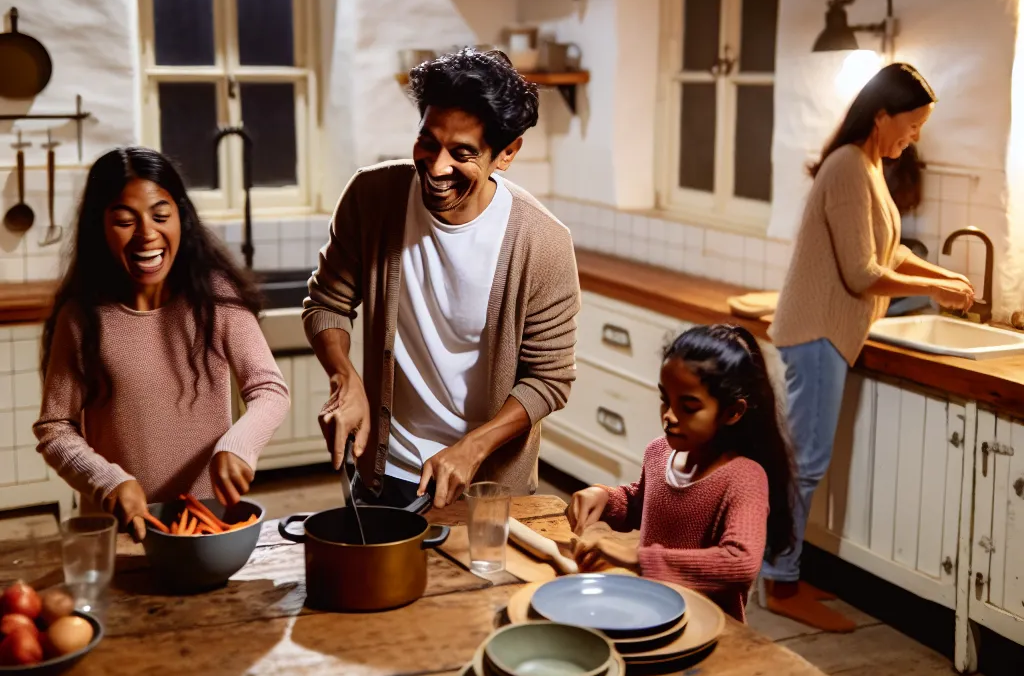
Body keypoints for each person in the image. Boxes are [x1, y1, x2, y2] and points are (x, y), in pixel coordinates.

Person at [304, 49, 580, 509]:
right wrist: (344, 378)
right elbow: (327, 304)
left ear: (507, 153)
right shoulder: (372, 199)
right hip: (384, 471)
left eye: (462, 153)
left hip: (487, 486)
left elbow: (548, 380)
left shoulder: (543, 244)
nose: (436, 167)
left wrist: (473, 447)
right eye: (428, 142)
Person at [763, 62, 974, 630]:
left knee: (802, 463)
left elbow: (891, 252)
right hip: (816, 334)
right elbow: (862, 273)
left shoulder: (870, 165)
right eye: (913, 123)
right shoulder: (848, 167)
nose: (917, 135)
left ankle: (780, 573)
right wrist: (935, 285)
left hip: (827, 335)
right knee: (804, 466)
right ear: (882, 115)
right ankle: (779, 585)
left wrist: (942, 278)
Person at [34, 147, 290, 540]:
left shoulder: (216, 298)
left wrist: (238, 444)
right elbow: (56, 428)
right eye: (124, 220)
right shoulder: (81, 316)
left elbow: (269, 389)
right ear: (98, 227)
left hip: (207, 525)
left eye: (160, 216)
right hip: (122, 533)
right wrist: (107, 481)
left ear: (181, 219)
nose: (147, 234)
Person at [566, 325, 793, 623]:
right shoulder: (658, 453)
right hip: (648, 614)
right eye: (665, 400)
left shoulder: (744, 478)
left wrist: (640, 559)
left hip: (709, 631)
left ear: (733, 412)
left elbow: (740, 562)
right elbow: (643, 504)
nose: (669, 416)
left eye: (688, 406)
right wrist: (606, 499)